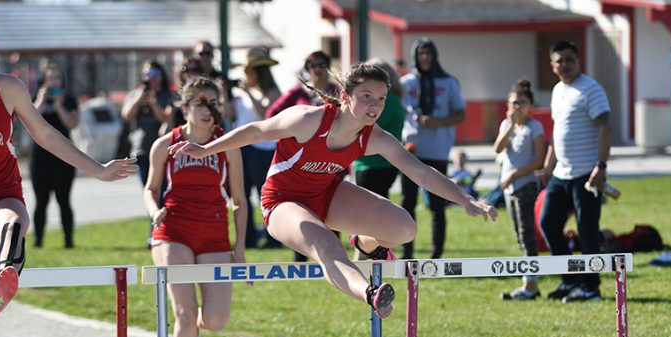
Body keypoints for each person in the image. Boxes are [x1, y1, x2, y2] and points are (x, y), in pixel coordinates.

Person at [169, 62, 497, 320]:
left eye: (381, 99)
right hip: (282, 202)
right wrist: (206, 148)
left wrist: (466, 199)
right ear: (345, 95)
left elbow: (420, 171)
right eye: (366, 97)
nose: (374, 106)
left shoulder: (375, 136)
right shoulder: (308, 120)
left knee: (404, 227)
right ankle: (370, 294)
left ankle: (364, 244)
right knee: (325, 243)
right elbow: (256, 130)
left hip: (327, 195)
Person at [0, 0, 136, 316]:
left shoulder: (6, 88)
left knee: (14, 226)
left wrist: (99, 170)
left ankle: (4, 281)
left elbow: (45, 136)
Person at [144, 77, 247, 337]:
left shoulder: (227, 144)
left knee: (215, 321)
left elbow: (239, 200)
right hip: (173, 231)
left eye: (215, 103)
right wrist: (154, 210)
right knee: (185, 316)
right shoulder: (165, 145)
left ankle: (195, 327)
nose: (209, 110)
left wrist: (240, 249)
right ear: (186, 107)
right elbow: (150, 188)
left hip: (214, 231)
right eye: (202, 103)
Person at [539, 41, 611, 303]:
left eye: (569, 59)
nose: (565, 65)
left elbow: (605, 127)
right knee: (548, 223)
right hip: (562, 173)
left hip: (587, 174)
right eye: (560, 61)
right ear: (552, 65)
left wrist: (600, 167)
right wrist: (548, 166)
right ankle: (569, 280)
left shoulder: (591, 89)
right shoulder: (558, 90)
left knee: (587, 230)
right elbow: (557, 132)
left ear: (578, 61)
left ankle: (591, 287)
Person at [266, 50, 341, 261]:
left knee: (330, 205)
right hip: (301, 162)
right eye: (313, 65)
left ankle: (334, 257)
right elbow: (272, 115)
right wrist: (291, 133)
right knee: (301, 206)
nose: (317, 69)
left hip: (332, 158)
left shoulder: (338, 93)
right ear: (307, 70)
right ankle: (302, 257)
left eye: (322, 64)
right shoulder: (298, 93)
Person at [400, 37, 466, 259]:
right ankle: (407, 252)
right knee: (407, 203)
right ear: (415, 57)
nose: (425, 57)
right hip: (411, 151)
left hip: (436, 151)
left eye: (428, 53)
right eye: (420, 53)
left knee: (437, 205)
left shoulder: (448, 82)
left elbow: (461, 114)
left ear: (435, 56)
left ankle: (436, 255)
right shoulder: (406, 83)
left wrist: (437, 122)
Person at [493, 78, 547, 300]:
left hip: (524, 185)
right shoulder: (507, 126)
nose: (518, 107)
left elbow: (539, 160)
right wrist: (509, 126)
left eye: (522, 103)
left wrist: (515, 174)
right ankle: (527, 282)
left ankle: (531, 286)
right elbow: (497, 148)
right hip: (509, 189)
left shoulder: (535, 127)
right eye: (514, 103)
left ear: (531, 106)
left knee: (527, 235)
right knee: (518, 236)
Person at [232, 47, 281, 249]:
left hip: (265, 149)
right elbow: (228, 113)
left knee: (265, 195)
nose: (246, 76)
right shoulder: (240, 94)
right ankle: (249, 238)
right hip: (244, 149)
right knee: (242, 195)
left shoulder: (272, 91)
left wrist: (248, 94)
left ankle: (273, 237)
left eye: (249, 72)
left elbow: (266, 112)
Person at [29, 62, 79, 249]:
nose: (53, 82)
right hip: (41, 157)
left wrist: (59, 107)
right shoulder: (36, 97)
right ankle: (38, 241)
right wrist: (41, 100)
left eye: (56, 78)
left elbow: (72, 123)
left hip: (64, 157)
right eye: (49, 78)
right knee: (41, 201)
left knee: (64, 200)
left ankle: (68, 241)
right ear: (43, 81)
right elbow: (29, 120)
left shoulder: (68, 99)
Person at [351, 58, 403, 199]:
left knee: (370, 213)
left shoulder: (387, 101)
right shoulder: (391, 99)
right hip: (381, 164)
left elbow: (363, 124)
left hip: (374, 165)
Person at [121, 59, 173, 187]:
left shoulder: (168, 95)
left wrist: (153, 103)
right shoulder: (136, 94)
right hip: (142, 150)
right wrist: (139, 98)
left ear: (162, 75)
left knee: (164, 189)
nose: (151, 78)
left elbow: (165, 119)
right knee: (149, 188)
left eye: (155, 74)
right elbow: (127, 116)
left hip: (163, 148)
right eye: (147, 74)